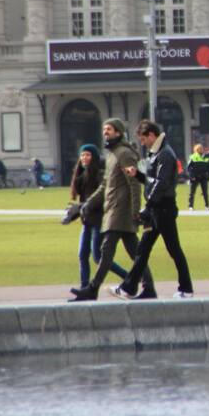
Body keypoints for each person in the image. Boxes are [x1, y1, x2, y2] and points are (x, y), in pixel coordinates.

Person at [70, 118, 155, 301]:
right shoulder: (112, 155)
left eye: (109, 129)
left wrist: (135, 212)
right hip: (113, 210)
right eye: (104, 129)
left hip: (120, 212)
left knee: (105, 251)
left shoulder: (124, 154)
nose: (105, 132)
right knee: (136, 254)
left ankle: (92, 289)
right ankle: (149, 288)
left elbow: (134, 184)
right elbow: (105, 186)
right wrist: (87, 204)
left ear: (118, 132)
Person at [111, 120, 194, 300]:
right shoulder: (159, 152)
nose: (142, 143)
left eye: (143, 139)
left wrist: (147, 208)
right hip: (158, 208)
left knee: (173, 249)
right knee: (143, 249)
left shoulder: (165, 154)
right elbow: (153, 181)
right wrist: (138, 175)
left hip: (162, 209)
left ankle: (186, 289)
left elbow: (161, 184)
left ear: (151, 135)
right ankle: (130, 287)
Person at [67, 144, 128, 290]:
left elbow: (99, 198)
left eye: (87, 155)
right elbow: (85, 200)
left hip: (98, 220)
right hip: (87, 220)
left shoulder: (99, 174)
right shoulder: (81, 174)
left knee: (98, 257)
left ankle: (128, 277)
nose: (84, 158)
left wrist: (80, 206)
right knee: (82, 254)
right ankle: (84, 286)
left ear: (93, 157)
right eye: (82, 155)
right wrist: (74, 212)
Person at [186, 143, 209, 209]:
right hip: (195, 177)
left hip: (203, 177)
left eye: (201, 148)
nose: (201, 149)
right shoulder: (192, 157)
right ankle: (190, 206)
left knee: (205, 192)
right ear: (196, 150)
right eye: (199, 148)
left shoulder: (206, 157)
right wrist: (191, 176)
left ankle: (207, 206)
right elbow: (188, 168)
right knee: (192, 193)